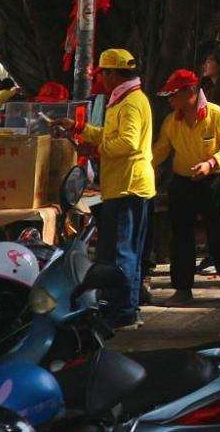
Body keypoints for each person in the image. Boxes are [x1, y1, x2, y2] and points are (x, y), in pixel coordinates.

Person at [153, 67, 220, 304]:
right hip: (183, 182)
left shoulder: (216, 115)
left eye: (174, 95)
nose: (171, 100)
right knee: (181, 236)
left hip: (214, 181)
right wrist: (143, 164)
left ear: (191, 92)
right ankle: (182, 288)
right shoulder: (171, 121)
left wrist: (211, 163)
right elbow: (161, 150)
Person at [78, 47, 153, 327]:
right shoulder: (122, 100)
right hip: (121, 185)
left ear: (114, 74)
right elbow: (114, 135)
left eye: (104, 73)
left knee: (123, 253)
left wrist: (97, 147)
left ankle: (123, 312)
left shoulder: (131, 102)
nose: (102, 79)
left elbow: (128, 143)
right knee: (120, 252)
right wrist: (83, 130)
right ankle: (122, 309)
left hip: (128, 186)